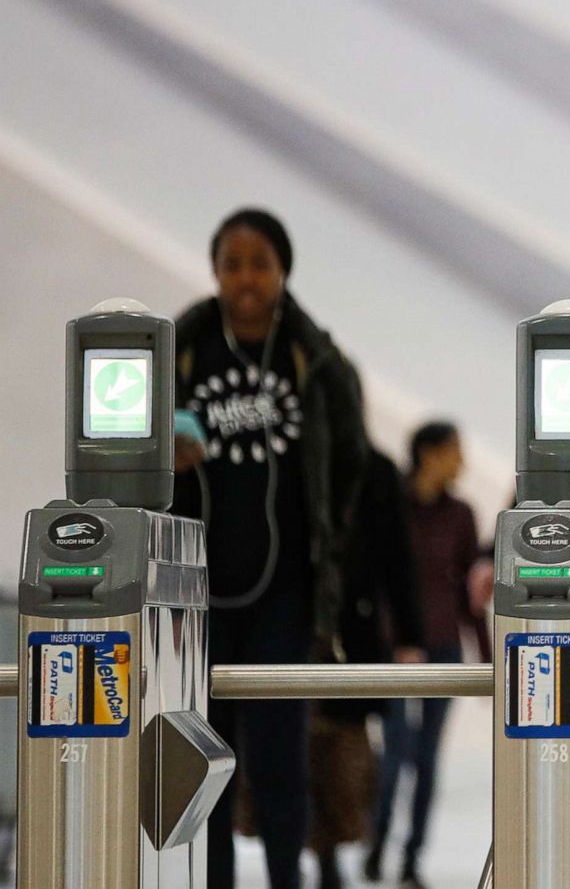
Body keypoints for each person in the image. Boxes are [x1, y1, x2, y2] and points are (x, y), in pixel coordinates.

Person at [172, 208, 367, 889]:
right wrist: (163, 466)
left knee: (283, 762)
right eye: (233, 264)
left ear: (283, 270)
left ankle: (289, 879)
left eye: (259, 264)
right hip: (198, 596)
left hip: (286, 592)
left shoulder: (313, 355)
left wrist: (332, 547)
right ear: (215, 272)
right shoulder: (183, 348)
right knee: (208, 761)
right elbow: (126, 454)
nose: (246, 278)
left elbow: (350, 458)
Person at [366, 422, 482, 889]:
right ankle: (376, 843)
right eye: (454, 451)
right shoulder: (393, 505)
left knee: (428, 756)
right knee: (395, 751)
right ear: (429, 454)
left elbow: (470, 590)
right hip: (398, 647)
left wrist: (489, 660)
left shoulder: (462, 513)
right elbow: (378, 579)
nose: (461, 462)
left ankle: (413, 856)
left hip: (445, 647)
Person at [309, 447, 425, 889]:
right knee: (314, 752)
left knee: (347, 753)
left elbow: (397, 558)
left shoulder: (374, 470)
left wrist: (411, 636)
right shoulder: (314, 459)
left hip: (352, 635)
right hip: (307, 631)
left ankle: (340, 848)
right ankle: (326, 853)